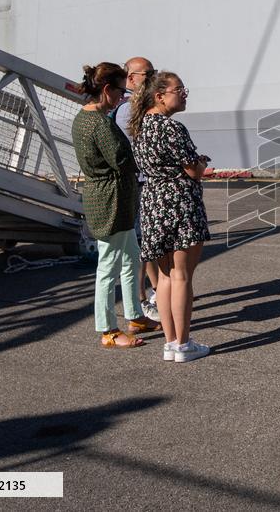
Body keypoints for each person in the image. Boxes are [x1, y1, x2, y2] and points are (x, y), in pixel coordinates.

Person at [70, 62, 161, 349]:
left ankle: (134, 314)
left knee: (131, 257)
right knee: (108, 266)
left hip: (110, 197)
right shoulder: (98, 122)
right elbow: (121, 160)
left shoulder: (86, 118)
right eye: (121, 91)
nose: (123, 97)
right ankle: (107, 329)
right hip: (111, 200)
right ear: (106, 90)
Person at [129, 72, 212, 363]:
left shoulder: (140, 129)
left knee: (164, 278)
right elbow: (192, 171)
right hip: (178, 202)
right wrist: (201, 163)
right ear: (160, 96)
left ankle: (170, 343)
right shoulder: (172, 128)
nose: (184, 93)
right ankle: (183, 343)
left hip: (152, 203)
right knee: (182, 276)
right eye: (179, 89)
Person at [113, 56, 160, 321]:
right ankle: (142, 300)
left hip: (142, 181)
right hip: (139, 183)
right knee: (141, 243)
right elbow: (144, 145)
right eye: (148, 73)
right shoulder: (130, 108)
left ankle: (155, 290)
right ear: (131, 78)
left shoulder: (138, 105)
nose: (153, 77)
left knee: (148, 241)